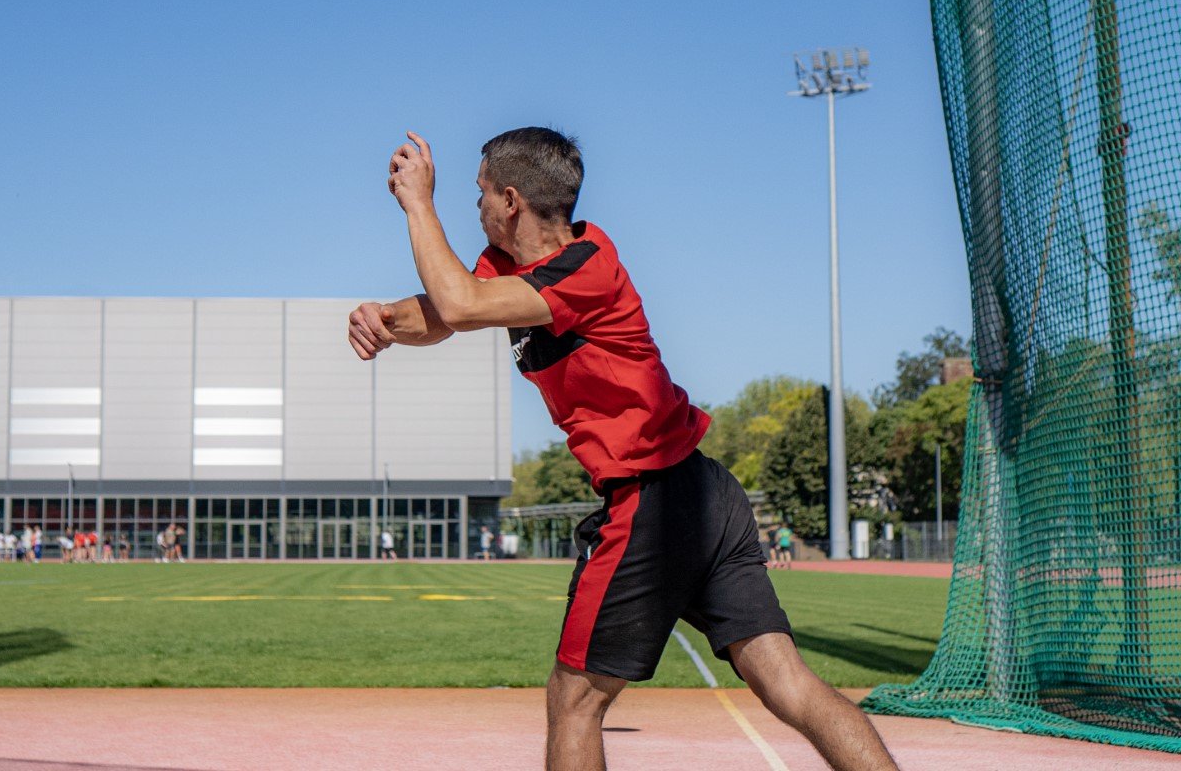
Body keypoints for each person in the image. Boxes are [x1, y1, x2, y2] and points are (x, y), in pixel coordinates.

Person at [348, 127, 900, 771]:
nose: (472, 206)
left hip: (651, 499)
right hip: (703, 491)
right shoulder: (511, 268)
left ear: (509, 199)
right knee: (786, 683)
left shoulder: (587, 267)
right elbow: (445, 313)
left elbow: (460, 303)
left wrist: (418, 205)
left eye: (477, 194)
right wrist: (383, 319)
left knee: (574, 698)